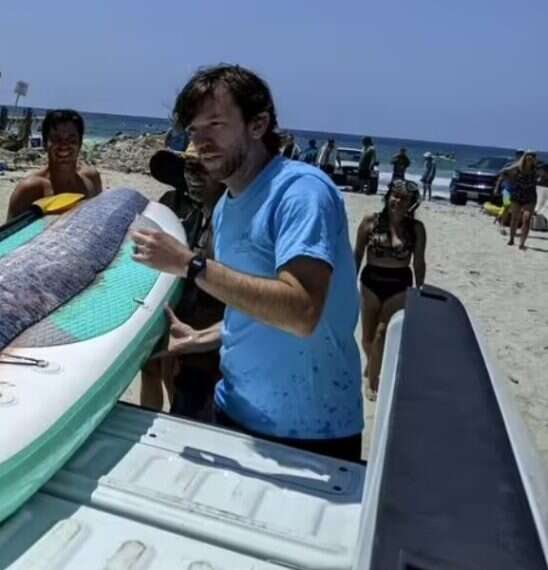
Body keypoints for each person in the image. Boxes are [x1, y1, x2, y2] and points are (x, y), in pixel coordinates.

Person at [131, 64, 363, 462]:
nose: (201, 141)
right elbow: (254, 306)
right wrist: (201, 338)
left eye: (216, 124)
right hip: (233, 410)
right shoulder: (226, 207)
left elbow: (302, 311)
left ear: (258, 125)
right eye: (194, 130)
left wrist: (192, 265)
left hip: (310, 430)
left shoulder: (301, 192)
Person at [141, 141, 226, 419]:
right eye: (190, 167)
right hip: (169, 304)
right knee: (153, 369)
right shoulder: (170, 203)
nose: (194, 176)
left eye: (203, 168)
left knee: (182, 381)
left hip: (208, 323)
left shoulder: (226, 218)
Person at [353, 180, 426, 400]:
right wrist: (349, 282)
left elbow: (419, 262)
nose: (397, 201)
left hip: (399, 284)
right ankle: (373, 363)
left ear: (412, 203)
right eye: (395, 195)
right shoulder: (370, 222)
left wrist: (420, 290)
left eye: (403, 198)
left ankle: (373, 381)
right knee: (366, 339)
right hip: (371, 282)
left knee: (381, 333)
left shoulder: (416, 229)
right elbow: (357, 255)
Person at [5, 109, 103, 220]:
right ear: (45, 144)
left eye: (71, 139)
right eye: (56, 139)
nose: (64, 145)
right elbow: (10, 235)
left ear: (80, 144)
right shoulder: (31, 189)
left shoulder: (91, 179)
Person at [496, 151, 540, 250]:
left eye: (534, 156)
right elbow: (502, 172)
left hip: (530, 197)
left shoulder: (537, 168)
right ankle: (511, 239)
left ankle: (522, 243)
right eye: (530, 156)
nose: (532, 158)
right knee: (515, 218)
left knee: (527, 219)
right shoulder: (516, 168)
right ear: (525, 157)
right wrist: (511, 180)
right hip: (517, 196)